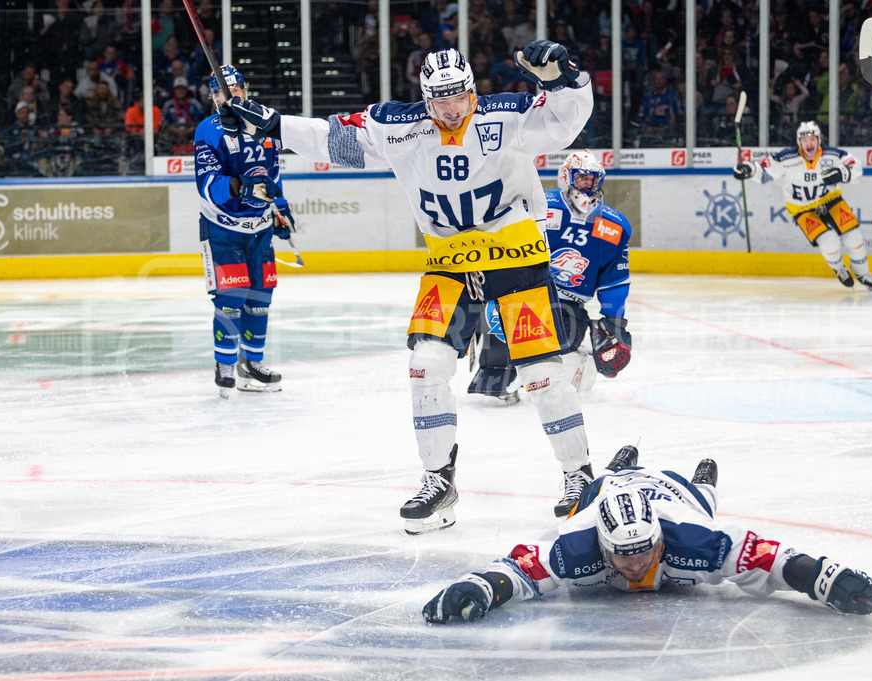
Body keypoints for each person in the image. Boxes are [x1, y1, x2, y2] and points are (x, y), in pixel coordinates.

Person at [220, 40, 596, 529]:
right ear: (424, 96)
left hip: (516, 256)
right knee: (425, 366)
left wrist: (564, 76)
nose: (450, 108)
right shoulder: (397, 127)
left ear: (471, 90)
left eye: (458, 96)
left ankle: (579, 476)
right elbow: (332, 139)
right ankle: (439, 480)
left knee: (542, 373)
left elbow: (565, 122)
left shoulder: (509, 115)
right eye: (439, 100)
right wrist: (270, 124)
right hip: (450, 262)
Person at [422, 447, 872, 624]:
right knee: (597, 487)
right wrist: (482, 586)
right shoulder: (578, 540)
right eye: (623, 557)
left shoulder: (694, 537)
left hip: (673, 495)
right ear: (603, 547)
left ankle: (704, 479)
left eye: (645, 551)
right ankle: (617, 468)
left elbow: (767, 557)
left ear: (661, 540)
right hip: (606, 495)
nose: (638, 564)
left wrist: (820, 576)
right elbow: (521, 569)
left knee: (704, 501)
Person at [469, 150, 632, 401]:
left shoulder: (615, 226)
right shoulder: (539, 206)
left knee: (559, 331)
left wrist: (614, 322)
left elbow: (615, 281)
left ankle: (539, 376)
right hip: (523, 291)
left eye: (594, 179)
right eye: (583, 178)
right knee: (501, 317)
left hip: (569, 307)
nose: (589, 185)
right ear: (567, 177)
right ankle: (494, 373)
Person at [194, 65, 295, 398]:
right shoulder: (207, 131)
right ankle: (224, 364)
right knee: (230, 300)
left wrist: (280, 207)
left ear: (245, 91)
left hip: (260, 228)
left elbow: (273, 175)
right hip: (223, 228)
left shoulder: (264, 126)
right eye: (223, 91)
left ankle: (251, 363)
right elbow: (207, 184)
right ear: (213, 97)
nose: (231, 95)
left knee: (261, 299)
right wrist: (238, 187)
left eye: (236, 89)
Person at [733, 121, 872, 289]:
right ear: (799, 143)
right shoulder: (787, 158)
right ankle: (839, 269)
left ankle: (864, 275)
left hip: (832, 201)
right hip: (803, 209)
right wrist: (748, 169)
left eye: (813, 139)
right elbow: (763, 167)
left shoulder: (832, 155)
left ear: (819, 140)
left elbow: (854, 165)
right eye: (805, 140)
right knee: (828, 240)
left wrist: (842, 172)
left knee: (853, 237)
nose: (809, 143)